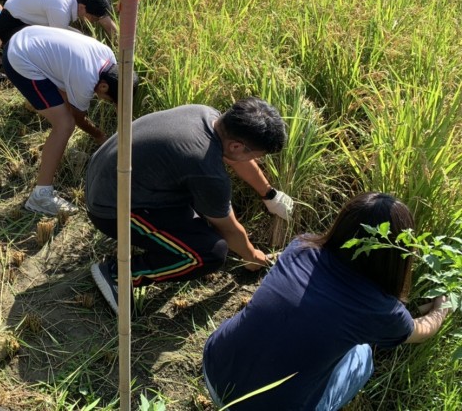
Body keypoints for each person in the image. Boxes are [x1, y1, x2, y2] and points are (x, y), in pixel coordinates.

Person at [202, 192, 452, 410]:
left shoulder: (301, 247)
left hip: (214, 367)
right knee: (362, 353)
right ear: (399, 255)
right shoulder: (381, 310)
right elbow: (422, 331)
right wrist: (443, 306)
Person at [85, 98, 291, 314]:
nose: (258, 159)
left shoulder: (207, 115)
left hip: (105, 175)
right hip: (111, 208)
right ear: (237, 146)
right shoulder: (205, 167)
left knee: (209, 209)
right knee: (210, 253)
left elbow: (238, 159)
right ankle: (118, 276)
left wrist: (269, 194)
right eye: (258, 155)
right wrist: (253, 257)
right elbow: (228, 228)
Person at [2, 25, 137, 216]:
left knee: (63, 105)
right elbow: (78, 118)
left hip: (26, 37)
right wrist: (100, 136)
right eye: (109, 99)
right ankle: (41, 196)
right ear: (104, 86)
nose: (106, 102)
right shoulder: (86, 80)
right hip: (20, 59)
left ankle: (57, 148)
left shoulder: (109, 59)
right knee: (65, 124)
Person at [0, 0, 118, 44]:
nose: (94, 22)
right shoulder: (60, 8)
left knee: (80, 37)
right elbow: (60, 42)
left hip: (27, 19)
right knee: (72, 41)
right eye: (93, 18)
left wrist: (119, 41)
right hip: (11, 25)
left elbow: (102, 16)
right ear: (81, 8)